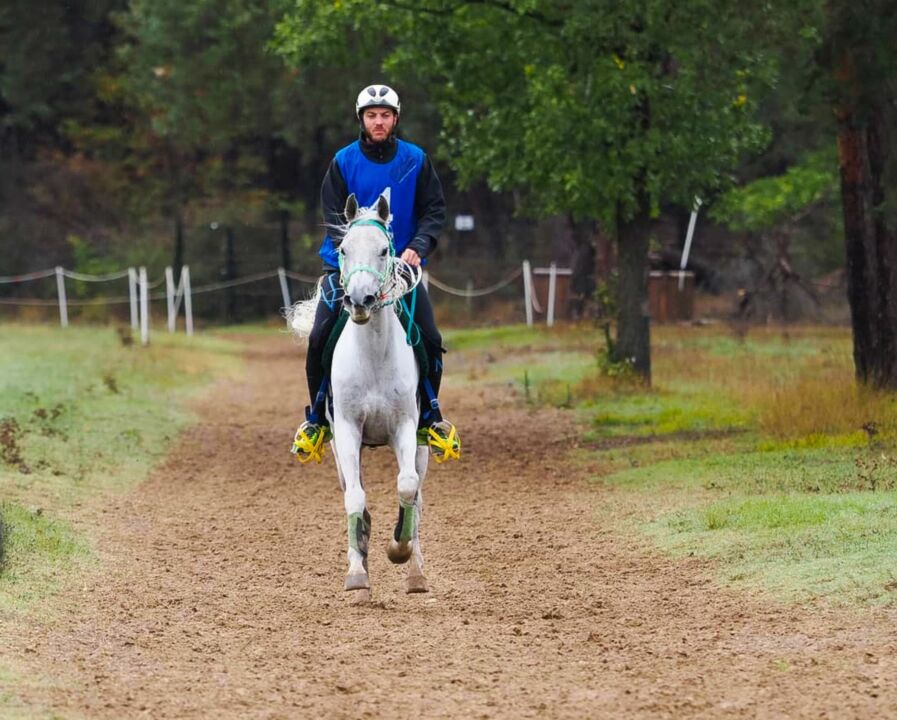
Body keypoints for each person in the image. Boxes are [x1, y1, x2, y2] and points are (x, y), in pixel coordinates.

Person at [292, 83, 460, 461]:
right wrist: (351, 261)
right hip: (346, 269)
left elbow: (434, 211)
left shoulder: (416, 160)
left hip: (400, 271)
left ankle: (430, 416)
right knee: (320, 335)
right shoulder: (343, 162)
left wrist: (418, 247)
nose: (378, 121)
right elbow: (335, 219)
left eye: (385, 115)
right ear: (361, 120)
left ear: (396, 118)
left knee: (430, 337)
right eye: (372, 115)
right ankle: (317, 417)